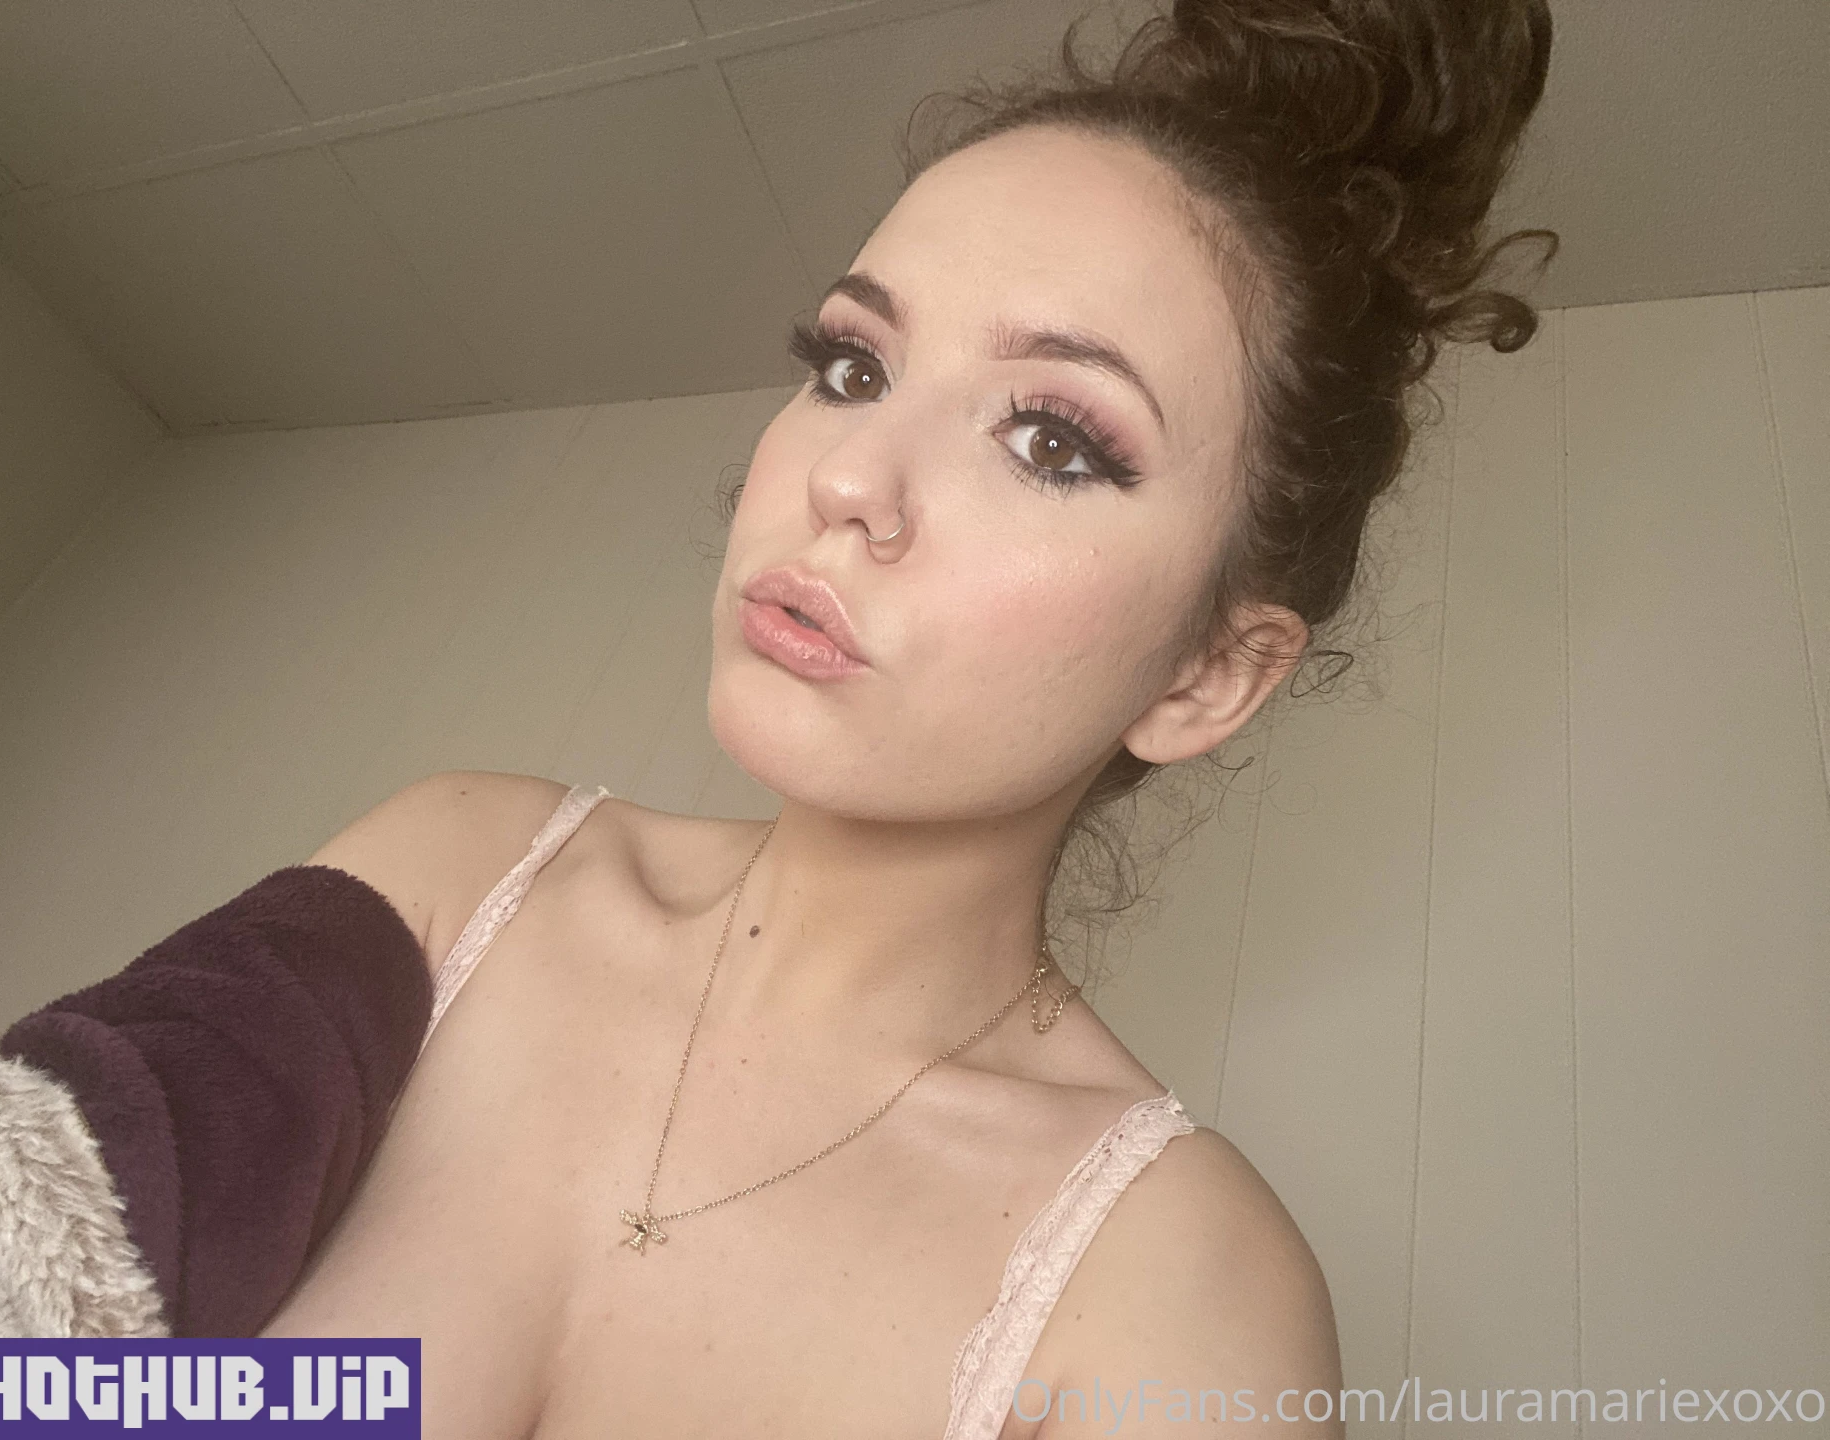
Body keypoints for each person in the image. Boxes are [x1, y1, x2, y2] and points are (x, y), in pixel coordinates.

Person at [258, 0, 1547, 1433]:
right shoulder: (454, 872)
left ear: (1208, 675)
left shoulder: (1183, 1294)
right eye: (854, 368)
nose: (851, 477)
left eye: (1050, 440)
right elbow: (49, 1315)